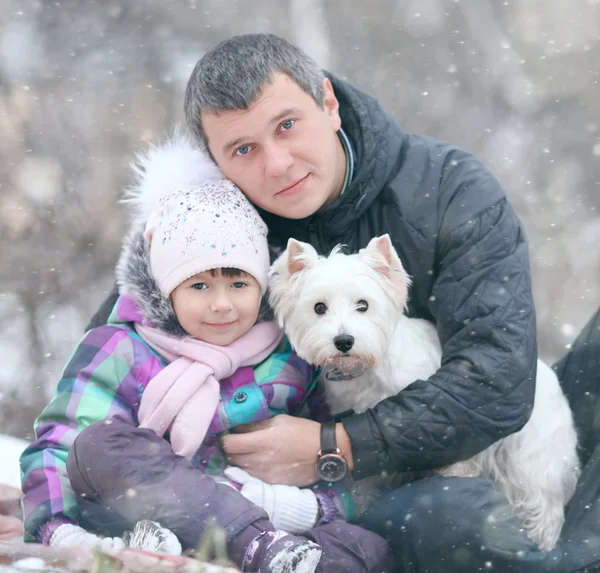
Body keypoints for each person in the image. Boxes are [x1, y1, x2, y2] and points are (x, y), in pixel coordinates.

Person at [87, 33, 600, 572]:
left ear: (328, 104)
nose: (279, 164)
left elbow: (497, 377)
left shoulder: (449, 192)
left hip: (465, 445)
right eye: (244, 149)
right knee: (444, 516)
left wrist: (338, 444)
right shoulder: (208, 231)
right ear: (214, 161)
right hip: (315, 496)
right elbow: (112, 366)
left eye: (287, 125)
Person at [19, 138, 392, 573]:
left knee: (369, 548)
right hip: (137, 515)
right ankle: (239, 548)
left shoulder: (286, 356)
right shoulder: (120, 348)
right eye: (199, 286)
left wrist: (297, 506)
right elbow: (59, 450)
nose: (222, 305)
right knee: (100, 445)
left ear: (261, 287)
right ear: (167, 290)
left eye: (238, 284)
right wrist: (62, 532)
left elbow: (324, 461)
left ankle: (266, 550)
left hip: (273, 524)